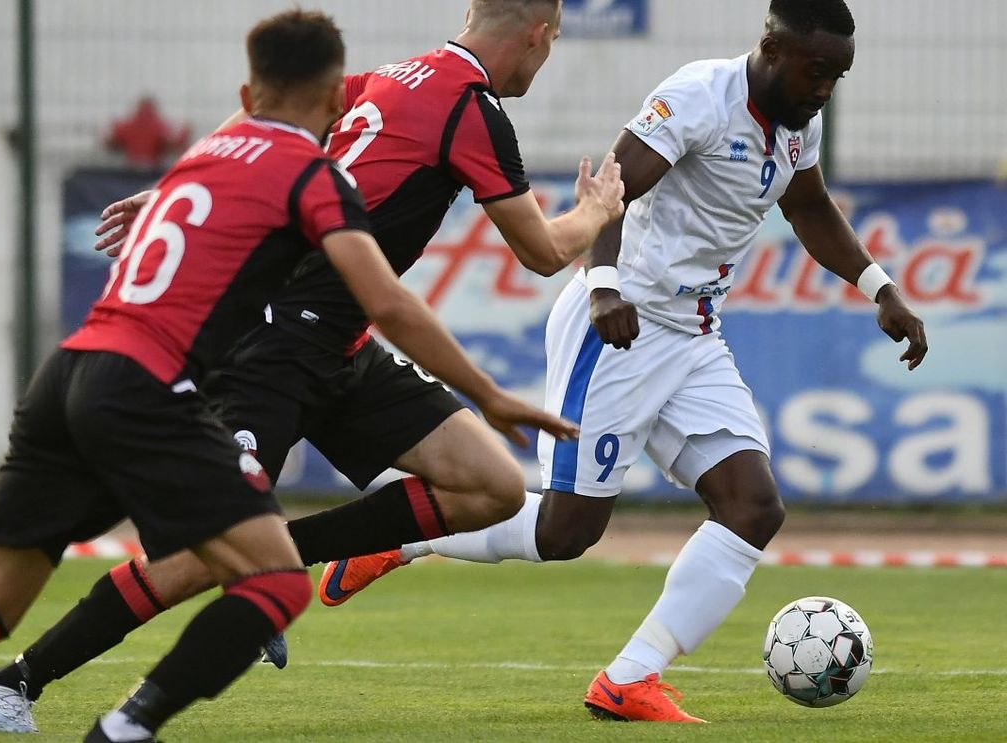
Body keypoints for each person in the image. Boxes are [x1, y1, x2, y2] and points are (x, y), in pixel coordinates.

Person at [0, 11, 575, 743]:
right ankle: (86, 708)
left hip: (81, 370)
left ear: (249, 97)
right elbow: (392, 297)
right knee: (239, 575)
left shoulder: (226, 154)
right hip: (215, 367)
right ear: (330, 104)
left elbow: (230, 202)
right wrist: (496, 388)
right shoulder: (312, 176)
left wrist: (167, 188)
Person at [0, 0, 624, 733]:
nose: (547, 56)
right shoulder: (471, 108)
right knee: (188, 563)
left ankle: (277, 555)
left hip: (340, 347)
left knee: (491, 485)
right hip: (268, 345)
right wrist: (596, 211)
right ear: (536, 32)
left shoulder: (394, 77)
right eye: (553, 42)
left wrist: (182, 184)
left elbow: (262, 127)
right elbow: (543, 251)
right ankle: (14, 680)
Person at [323, 0, 928, 724]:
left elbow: (808, 207)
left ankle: (630, 676)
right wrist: (604, 285)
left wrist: (879, 286)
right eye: (817, 69)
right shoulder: (699, 96)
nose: (826, 86)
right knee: (566, 532)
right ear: (772, 46)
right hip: (620, 326)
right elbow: (612, 188)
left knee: (753, 505)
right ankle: (402, 534)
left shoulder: (801, 121)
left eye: (838, 74)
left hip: (695, 336)